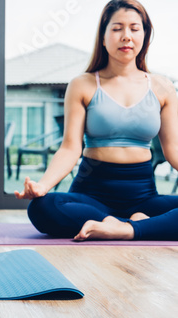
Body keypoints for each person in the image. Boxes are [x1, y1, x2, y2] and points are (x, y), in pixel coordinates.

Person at [15, 0, 178, 241]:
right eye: (116, 28)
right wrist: (43, 186)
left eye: (134, 28)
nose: (126, 36)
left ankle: (125, 228)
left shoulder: (163, 87)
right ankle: (131, 225)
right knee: (42, 207)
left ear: (145, 35)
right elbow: (71, 148)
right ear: (103, 37)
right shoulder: (83, 84)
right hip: (91, 196)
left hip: (144, 198)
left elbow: (173, 149)